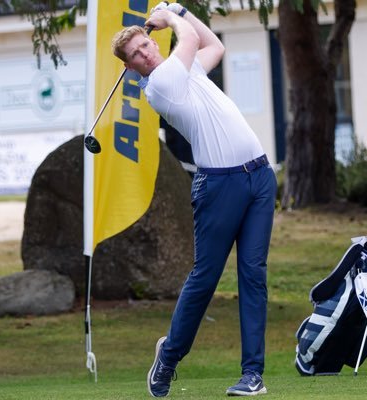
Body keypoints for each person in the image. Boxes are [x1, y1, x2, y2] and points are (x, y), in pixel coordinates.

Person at [111, 2, 277, 397]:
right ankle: (168, 356)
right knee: (205, 279)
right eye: (136, 53)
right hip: (219, 187)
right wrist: (170, 15)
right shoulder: (163, 83)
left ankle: (252, 374)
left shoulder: (186, 71)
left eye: (145, 45)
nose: (146, 52)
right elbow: (187, 38)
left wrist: (182, 10)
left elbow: (213, 44)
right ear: (130, 68)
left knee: (254, 275)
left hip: (260, 177)